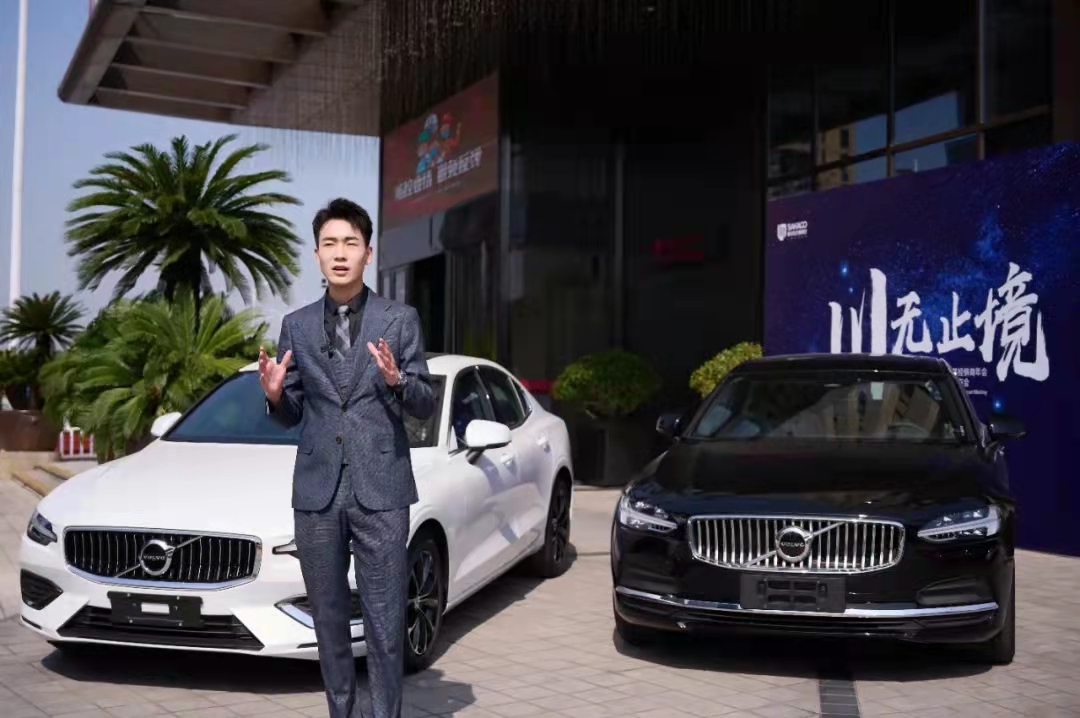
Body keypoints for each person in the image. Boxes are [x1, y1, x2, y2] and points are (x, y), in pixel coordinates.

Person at [258, 198, 435, 718]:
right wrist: (274, 395)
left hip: (382, 489)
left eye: (350, 243)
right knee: (329, 620)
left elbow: (424, 403)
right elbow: (292, 414)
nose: (340, 254)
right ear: (316, 253)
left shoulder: (399, 320)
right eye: (330, 244)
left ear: (368, 253)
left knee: (384, 620)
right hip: (317, 492)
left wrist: (397, 381)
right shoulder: (295, 325)